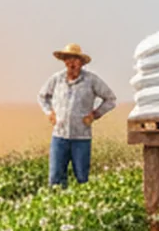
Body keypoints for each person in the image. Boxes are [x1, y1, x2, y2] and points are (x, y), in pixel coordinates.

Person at [37, 43, 116, 186]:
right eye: (68, 59)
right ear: (64, 61)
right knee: (55, 178)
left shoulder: (91, 80)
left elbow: (110, 99)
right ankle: (57, 199)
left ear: (81, 62)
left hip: (81, 138)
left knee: (82, 178)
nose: (71, 63)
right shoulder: (57, 79)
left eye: (75, 59)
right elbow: (42, 96)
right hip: (59, 136)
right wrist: (49, 112)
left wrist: (95, 114)